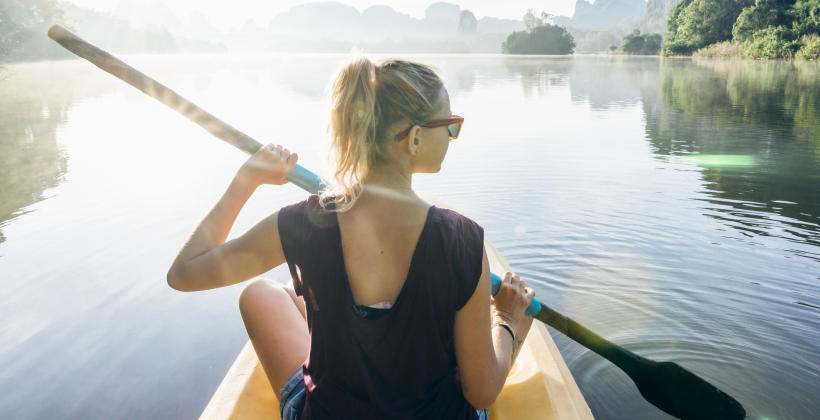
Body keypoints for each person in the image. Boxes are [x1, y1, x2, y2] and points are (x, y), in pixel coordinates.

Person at [167, 57, 536, 420]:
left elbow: (184, 273)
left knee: (260, 293)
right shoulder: (461, 239)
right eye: (450, 125)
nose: (453, 135)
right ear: (416, 137)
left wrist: (246, 179)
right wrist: (507, 319)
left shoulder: (302, 223)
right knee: (268, 294)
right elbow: (482, 391)